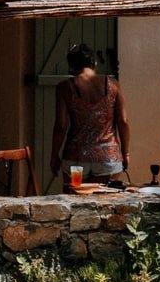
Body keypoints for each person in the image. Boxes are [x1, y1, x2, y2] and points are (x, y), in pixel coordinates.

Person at [51, 44, 130, 187]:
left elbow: (61, 126)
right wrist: (126, 152)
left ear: (72, 66)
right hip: (108, 158)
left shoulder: (65, 88)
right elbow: (123, 121)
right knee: (104, 205)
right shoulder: (113, 85)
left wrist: (54, 154)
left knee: (74, 204)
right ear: (94, 63)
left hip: (76, 159)